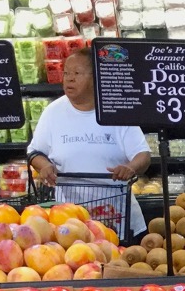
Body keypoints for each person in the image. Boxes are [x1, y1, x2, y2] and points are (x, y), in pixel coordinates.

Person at [27, 47, 151, 239]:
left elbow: (143, 154)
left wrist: (130, 167)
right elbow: (35, 151)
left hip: (118, 218)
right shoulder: (53, 112)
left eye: (77, 73)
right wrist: (44, 166)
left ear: (96, 78)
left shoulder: (116, 109)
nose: (69, 78)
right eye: (66, 73)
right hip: (70, 223)